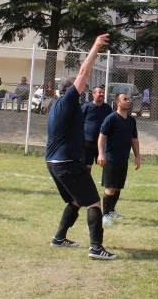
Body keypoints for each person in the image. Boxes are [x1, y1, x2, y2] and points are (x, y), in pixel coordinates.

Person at [45, 34, 117, 260]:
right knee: (93, 202)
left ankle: (59, 237)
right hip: (67, 162)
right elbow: (84, 72)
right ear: (68, 90)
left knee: (76, 199)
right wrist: (95, 45)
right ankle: (96, 247)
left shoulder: (58, 105)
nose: (83, 89)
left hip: (55, 162)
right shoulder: (67, 102)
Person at [97, 92, 140, 225]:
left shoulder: (132, 120)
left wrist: (137, 157)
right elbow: (101, 137)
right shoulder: (111, 118)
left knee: (118, 187)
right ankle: (104, 215)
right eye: (125, 99)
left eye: (128, 99)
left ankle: (111, 210)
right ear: (118, 103)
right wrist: (101, 154)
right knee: (110, 187)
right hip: (111, 158)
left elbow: (134, 140)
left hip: (123, 159)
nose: (128, 101)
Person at [81, 85, 112, 171]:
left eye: (103, 92)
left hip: (102, 141)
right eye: (99, 92)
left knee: (106, 164)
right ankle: (85, 184)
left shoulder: (107, 108)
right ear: (93, 94)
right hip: (88, 141)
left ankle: (108, 183)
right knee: (87, 166)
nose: (101, 94)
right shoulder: (86, 107)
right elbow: (79, 121)